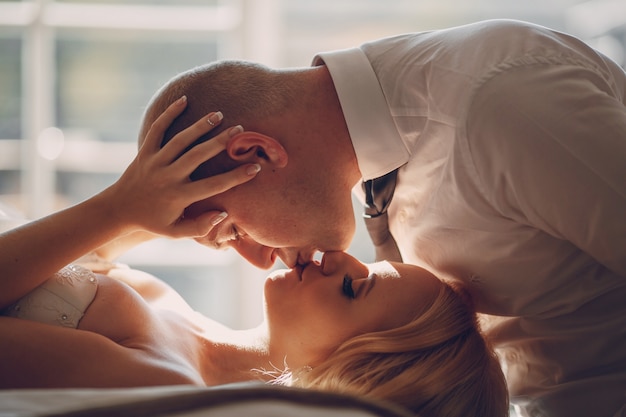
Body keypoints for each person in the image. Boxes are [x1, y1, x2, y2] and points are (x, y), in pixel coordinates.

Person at [139, 19, 626, 417]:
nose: (261, 259)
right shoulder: (374, 150)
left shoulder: (503, 109)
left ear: (258, 155)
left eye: (235, 230)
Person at [0, 98, 509, 417]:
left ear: (356, 372)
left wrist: (117, 208)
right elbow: (68, 273)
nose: (337, 258)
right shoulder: (190, 329)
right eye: (363, 266)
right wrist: (156, 225)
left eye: (355, 288)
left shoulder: (165, 384)